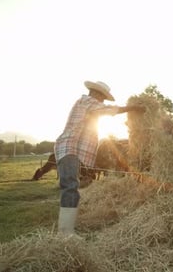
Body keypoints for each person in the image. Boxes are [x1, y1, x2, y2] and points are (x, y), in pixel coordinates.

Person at [54, 80, 144, 236]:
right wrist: (133, 108)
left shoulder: (87, 105)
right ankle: (65, 233)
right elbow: (107, 110)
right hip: (68, 147)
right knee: (70, 187)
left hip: (72, 150)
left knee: (72, 187)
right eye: (102, 98)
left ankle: (67, 230)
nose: (102, 101)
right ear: (96, 93)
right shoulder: (86, 101)